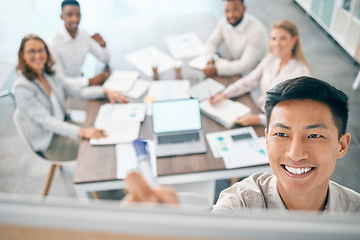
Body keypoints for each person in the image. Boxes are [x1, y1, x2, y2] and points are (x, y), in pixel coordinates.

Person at [123, 76, 360, 213]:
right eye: (281, 134)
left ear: (341, 145)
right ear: (266, 139)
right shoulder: (242, 203)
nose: (295, 153)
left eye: (314, 136)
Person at [14, 34, 128, 161]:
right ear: (22, 56)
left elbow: (77, 92)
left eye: (41, 50)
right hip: (51, 142)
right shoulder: (22, 88)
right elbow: (46, 121)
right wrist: (82, 132)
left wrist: (104, 91)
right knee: (101, 145)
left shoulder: (49, 74)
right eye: (31, 51)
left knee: (107, 131)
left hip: (65, 124)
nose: (38, 55)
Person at [209, 19, 311, 127]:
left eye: (283, 38)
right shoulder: (271, 58)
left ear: (294, 40)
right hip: (261, 111)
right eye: (273, 39)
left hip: (279, 125)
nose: (277, 44)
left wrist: (258, 119)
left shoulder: (301, 73)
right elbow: (249, 81)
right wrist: (224, 94)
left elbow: (293, 116)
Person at [47, 0, 110, 88]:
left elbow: (105, 59)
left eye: (78, 15)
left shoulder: (83, 34)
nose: (75, 19)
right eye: (69, 15)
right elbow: (60, 80)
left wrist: (103, 45)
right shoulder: (52, 44)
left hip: (80, 85)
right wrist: (89, 81)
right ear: (61, 16)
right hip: (65, 91)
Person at [202, 0, 267, 77]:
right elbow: (211, 42)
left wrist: (217, 69)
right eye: (227, 10)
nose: (230, 15)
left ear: (244, 9)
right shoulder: (224, 21)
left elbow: (245, 65)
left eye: (235, 9)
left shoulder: (257, 31)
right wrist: (210, 60)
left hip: (257, 75)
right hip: (237, 68)